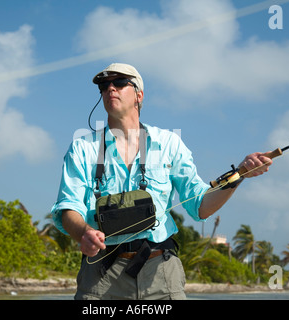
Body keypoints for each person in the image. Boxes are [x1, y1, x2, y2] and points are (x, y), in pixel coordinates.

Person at [51, 63, 272, 300]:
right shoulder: (81, 148)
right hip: (101, 275)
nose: (110, 89)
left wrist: (239, 174)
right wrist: (84, 232)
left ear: (139, 95)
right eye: (104, 86)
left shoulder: (170, 143)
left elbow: (200, 206)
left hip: (161, 271)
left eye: (120, 83)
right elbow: (68, 207)